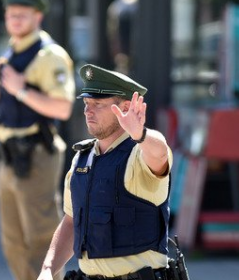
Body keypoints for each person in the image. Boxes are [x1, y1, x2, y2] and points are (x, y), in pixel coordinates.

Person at [37, 64, 173, 280]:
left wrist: (140, 133)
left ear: (126, 107)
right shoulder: (82, 158)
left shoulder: (140, 153)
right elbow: (72, 221)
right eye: (86, 103)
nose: (87, 110)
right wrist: (47, 269)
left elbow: (161, 154)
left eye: (98, 104)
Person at [0, 0, 75, 280]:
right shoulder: (12, 52)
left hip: (36, 153)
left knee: (41, 239)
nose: (15, 20)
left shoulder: (50, 56)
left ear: (39, 16)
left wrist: (21, 90)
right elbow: (13, 108)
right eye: (11, 15)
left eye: (22, 15)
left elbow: (62, 108)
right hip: (10, 154)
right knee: (13, 241)